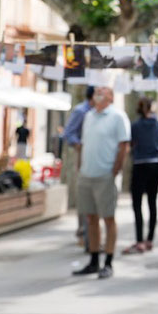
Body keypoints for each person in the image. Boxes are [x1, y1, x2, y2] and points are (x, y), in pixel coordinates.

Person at [72, 87, 130, 280]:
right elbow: (84, 143)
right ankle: (94, 260)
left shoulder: (117, 117)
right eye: (96, 91)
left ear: (111, 96)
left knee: (108, 218)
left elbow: (124, 145)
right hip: (86, 174)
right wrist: (80, 166)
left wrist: (115, 170)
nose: (98, 93)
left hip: (105, 175)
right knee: (90, 218)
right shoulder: (88, 116)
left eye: (102, 91)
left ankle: (109, 262)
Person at [122, 96, 158, 255]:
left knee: (137, 204)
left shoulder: (135, 125)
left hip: (140, 164)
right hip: (155, 163)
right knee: (152, 202)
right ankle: (150, 239)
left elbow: (132, 143)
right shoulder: (157, 123)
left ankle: (139, 240)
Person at [62, 86, 95, 250]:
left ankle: (92, 236)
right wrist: (79, 145)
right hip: (83, 157)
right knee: (84, 196)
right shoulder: (81, 111)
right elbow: (68, 133)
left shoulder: (100, 113)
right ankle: (83, 233)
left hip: (97, 158)